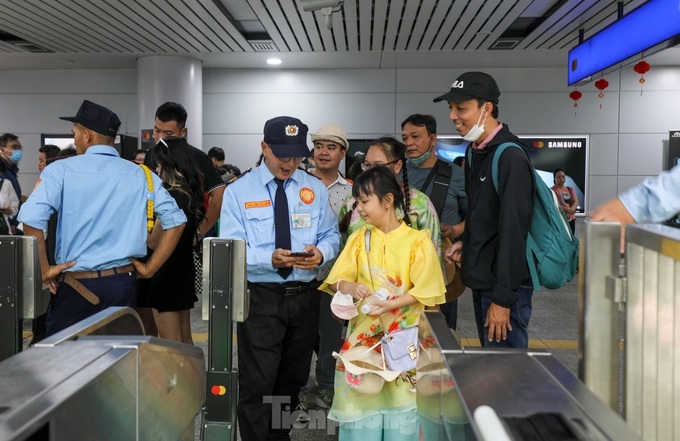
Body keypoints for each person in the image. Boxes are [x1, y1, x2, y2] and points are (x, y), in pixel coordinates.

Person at [18, 100, 187, 337]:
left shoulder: (60, 170)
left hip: (77, 286)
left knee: (65, 364)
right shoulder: (141, 174)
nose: (74, 139)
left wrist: (44, 270)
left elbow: (32, 218)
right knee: (117, 363)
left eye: (74, 133)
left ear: (87, 136)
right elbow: (176, 221)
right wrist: (150, 268)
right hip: (123, 285)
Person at [219, 116, 340, 440]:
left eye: (297, 156)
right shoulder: (238, 192)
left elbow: (331, 233)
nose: (290, 163)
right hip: (262, 298)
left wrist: (323, 253)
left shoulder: (312, 187)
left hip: (305, 296)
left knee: (293, 379)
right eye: (282, 155)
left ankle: (279, 436)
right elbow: (229, 247)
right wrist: (266, 258)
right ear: (264, 148)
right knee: (258, 382)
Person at [320, 166, 446, 440]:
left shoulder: (417, 241)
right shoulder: (358, 239)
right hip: (364, 346)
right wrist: (349, 286)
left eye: (364, 201)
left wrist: (389, 305)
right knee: (362, 418)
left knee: (403, 415)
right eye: (358, 202)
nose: (360, 209)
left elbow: (427, 290)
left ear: (387, 200)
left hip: (406, 341)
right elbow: (334, 282)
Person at [437, 71, 535, 348]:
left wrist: (503, 300)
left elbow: (514, 231)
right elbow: (483, 216)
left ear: (486, 108)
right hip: (485, 279)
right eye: (450, 108)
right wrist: (467, 245)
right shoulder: (475, 152)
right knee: (492, 367)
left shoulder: (509, 157)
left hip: (504, 287)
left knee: (507, 373)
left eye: (461, 108)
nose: (453, 116)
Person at [298, 123, 352, 412]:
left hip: (336, 279)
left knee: (331, 336)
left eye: (331, 147)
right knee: (301, 335)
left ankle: (328, 387)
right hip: (302, 275)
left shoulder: (353, 192)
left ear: (342, 153)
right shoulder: (299, 185)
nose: (323, 152)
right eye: (319, 146)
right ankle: (300, 386)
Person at [401, 114, 467, 330]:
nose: (409, 143)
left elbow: (474, 217)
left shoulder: (455, 174)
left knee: (441, 331)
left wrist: (455, 229)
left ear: (433, 138)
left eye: (415, 136)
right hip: (401, 269)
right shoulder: (398, 174)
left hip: (442, 268)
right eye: (405, 138)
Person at [139, 137, 205, 344]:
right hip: (182, 270)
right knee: (185, 338)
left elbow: (154, 242)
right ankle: (193, 377)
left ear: (168, 165)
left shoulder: (171, 197)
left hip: (165, 273)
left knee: (170, 344)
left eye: (158, 165)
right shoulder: (189, 194)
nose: (156, 171)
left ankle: (178, 378)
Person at [339, 137, 441, 256]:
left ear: (398, 166)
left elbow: (433, 255)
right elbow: (343, 251)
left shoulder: (420, 203)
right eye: (366, 165)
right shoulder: (352, 201)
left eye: (378, 165)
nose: (370, 171)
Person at [148, 102, 225, 239]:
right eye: (156, 130)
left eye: (168, 133)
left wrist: (199, 232)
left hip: (183, 240)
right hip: (153, 237)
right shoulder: (151, 154)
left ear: (183, 132)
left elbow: (219, 196)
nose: (160, 138)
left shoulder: (198, 158)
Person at [0, 133, 24, 233]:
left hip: (12, 222)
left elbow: (14, 200)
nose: (17, 150)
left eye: (19, 147)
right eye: (13, 147)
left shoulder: (11, 171)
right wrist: (11, 222)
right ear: (2, 149)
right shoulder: (2, 171)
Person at [551, 168, 578, 234]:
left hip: (571, 219)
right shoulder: (552, 190)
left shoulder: (570, 189)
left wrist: (570, 210)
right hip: (559, 219)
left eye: (563, 176)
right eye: (559, 177)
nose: (561, 179)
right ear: (554, 179)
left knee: (571, 238)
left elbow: (575, 201)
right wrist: (566, 209)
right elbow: (552, 204)